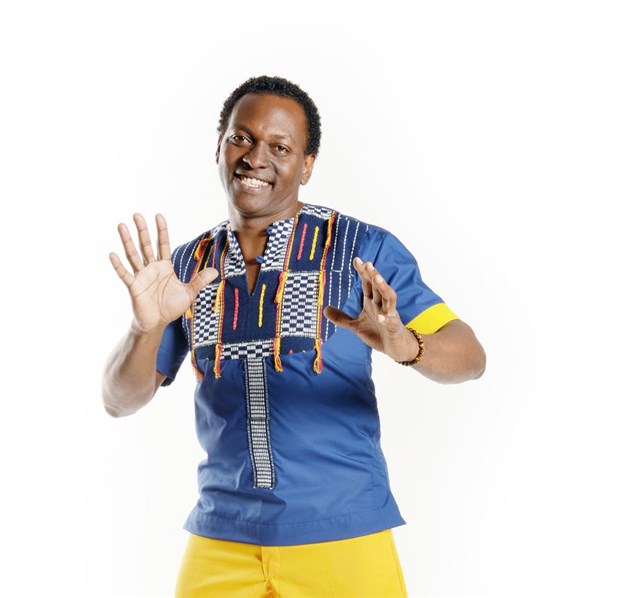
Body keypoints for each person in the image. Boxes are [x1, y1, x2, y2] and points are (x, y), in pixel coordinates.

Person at [103, 75, 486, 597]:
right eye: (241, 138)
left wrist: (404, 345)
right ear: (218, 147)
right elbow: (119, 401)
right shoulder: (187, 267)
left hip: (343, 533)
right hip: (221, 536)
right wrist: (144, 328)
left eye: (280, 147)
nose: (255, 158)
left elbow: (470, 356)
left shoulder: (362, 250)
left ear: (307, 165)